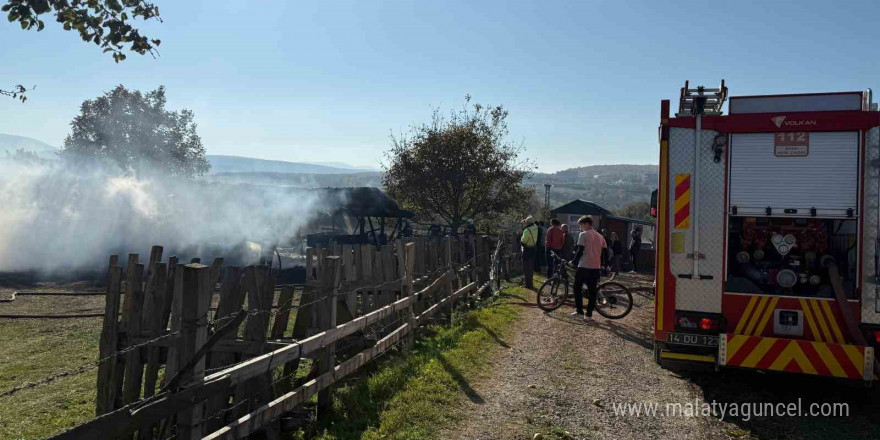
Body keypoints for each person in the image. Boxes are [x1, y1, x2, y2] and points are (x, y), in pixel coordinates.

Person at [569, 216, 607, 319]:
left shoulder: (583, 234)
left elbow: (580, 250)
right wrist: (603, 265)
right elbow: (604, 253)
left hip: (584, 265)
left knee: (576, 288)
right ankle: (589, 314)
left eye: (581, 225)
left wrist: (573, 262)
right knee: (592, 291)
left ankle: (580, 312)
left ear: (586, 224)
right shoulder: (600, 236)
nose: (580, 227)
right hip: (596, 267)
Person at [520, 216, 539, 289]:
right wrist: (524, 222)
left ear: (527, 223)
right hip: (533, 248)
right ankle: (530, 283)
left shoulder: (527, 230)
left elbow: (523, 241)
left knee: (526, 268)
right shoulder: (536, 227)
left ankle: (527, 284)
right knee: (530, 267)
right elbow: (530, 223)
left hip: (527, 249)